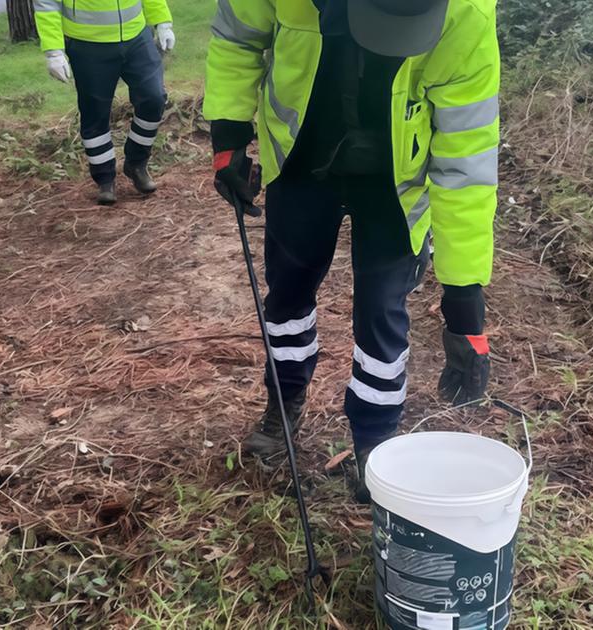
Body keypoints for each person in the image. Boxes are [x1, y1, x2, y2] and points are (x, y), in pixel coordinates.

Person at [205, 0, 498, 501]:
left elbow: (465, 167)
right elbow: (238, 37)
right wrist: (229, 135)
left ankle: (375, 446)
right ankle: (284, 401)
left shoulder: (466, 15)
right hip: (301, 160)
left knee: (382, 313)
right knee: (288, 296)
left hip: (394, 182)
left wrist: (464, 301)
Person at [33, 0, 176, 205]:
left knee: (154, 98)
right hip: (87, 45)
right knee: (95, 113)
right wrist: (53, 50)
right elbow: (46, 4)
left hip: (136, 37)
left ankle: (136, 163)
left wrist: (162, 22)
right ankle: (104, 178)